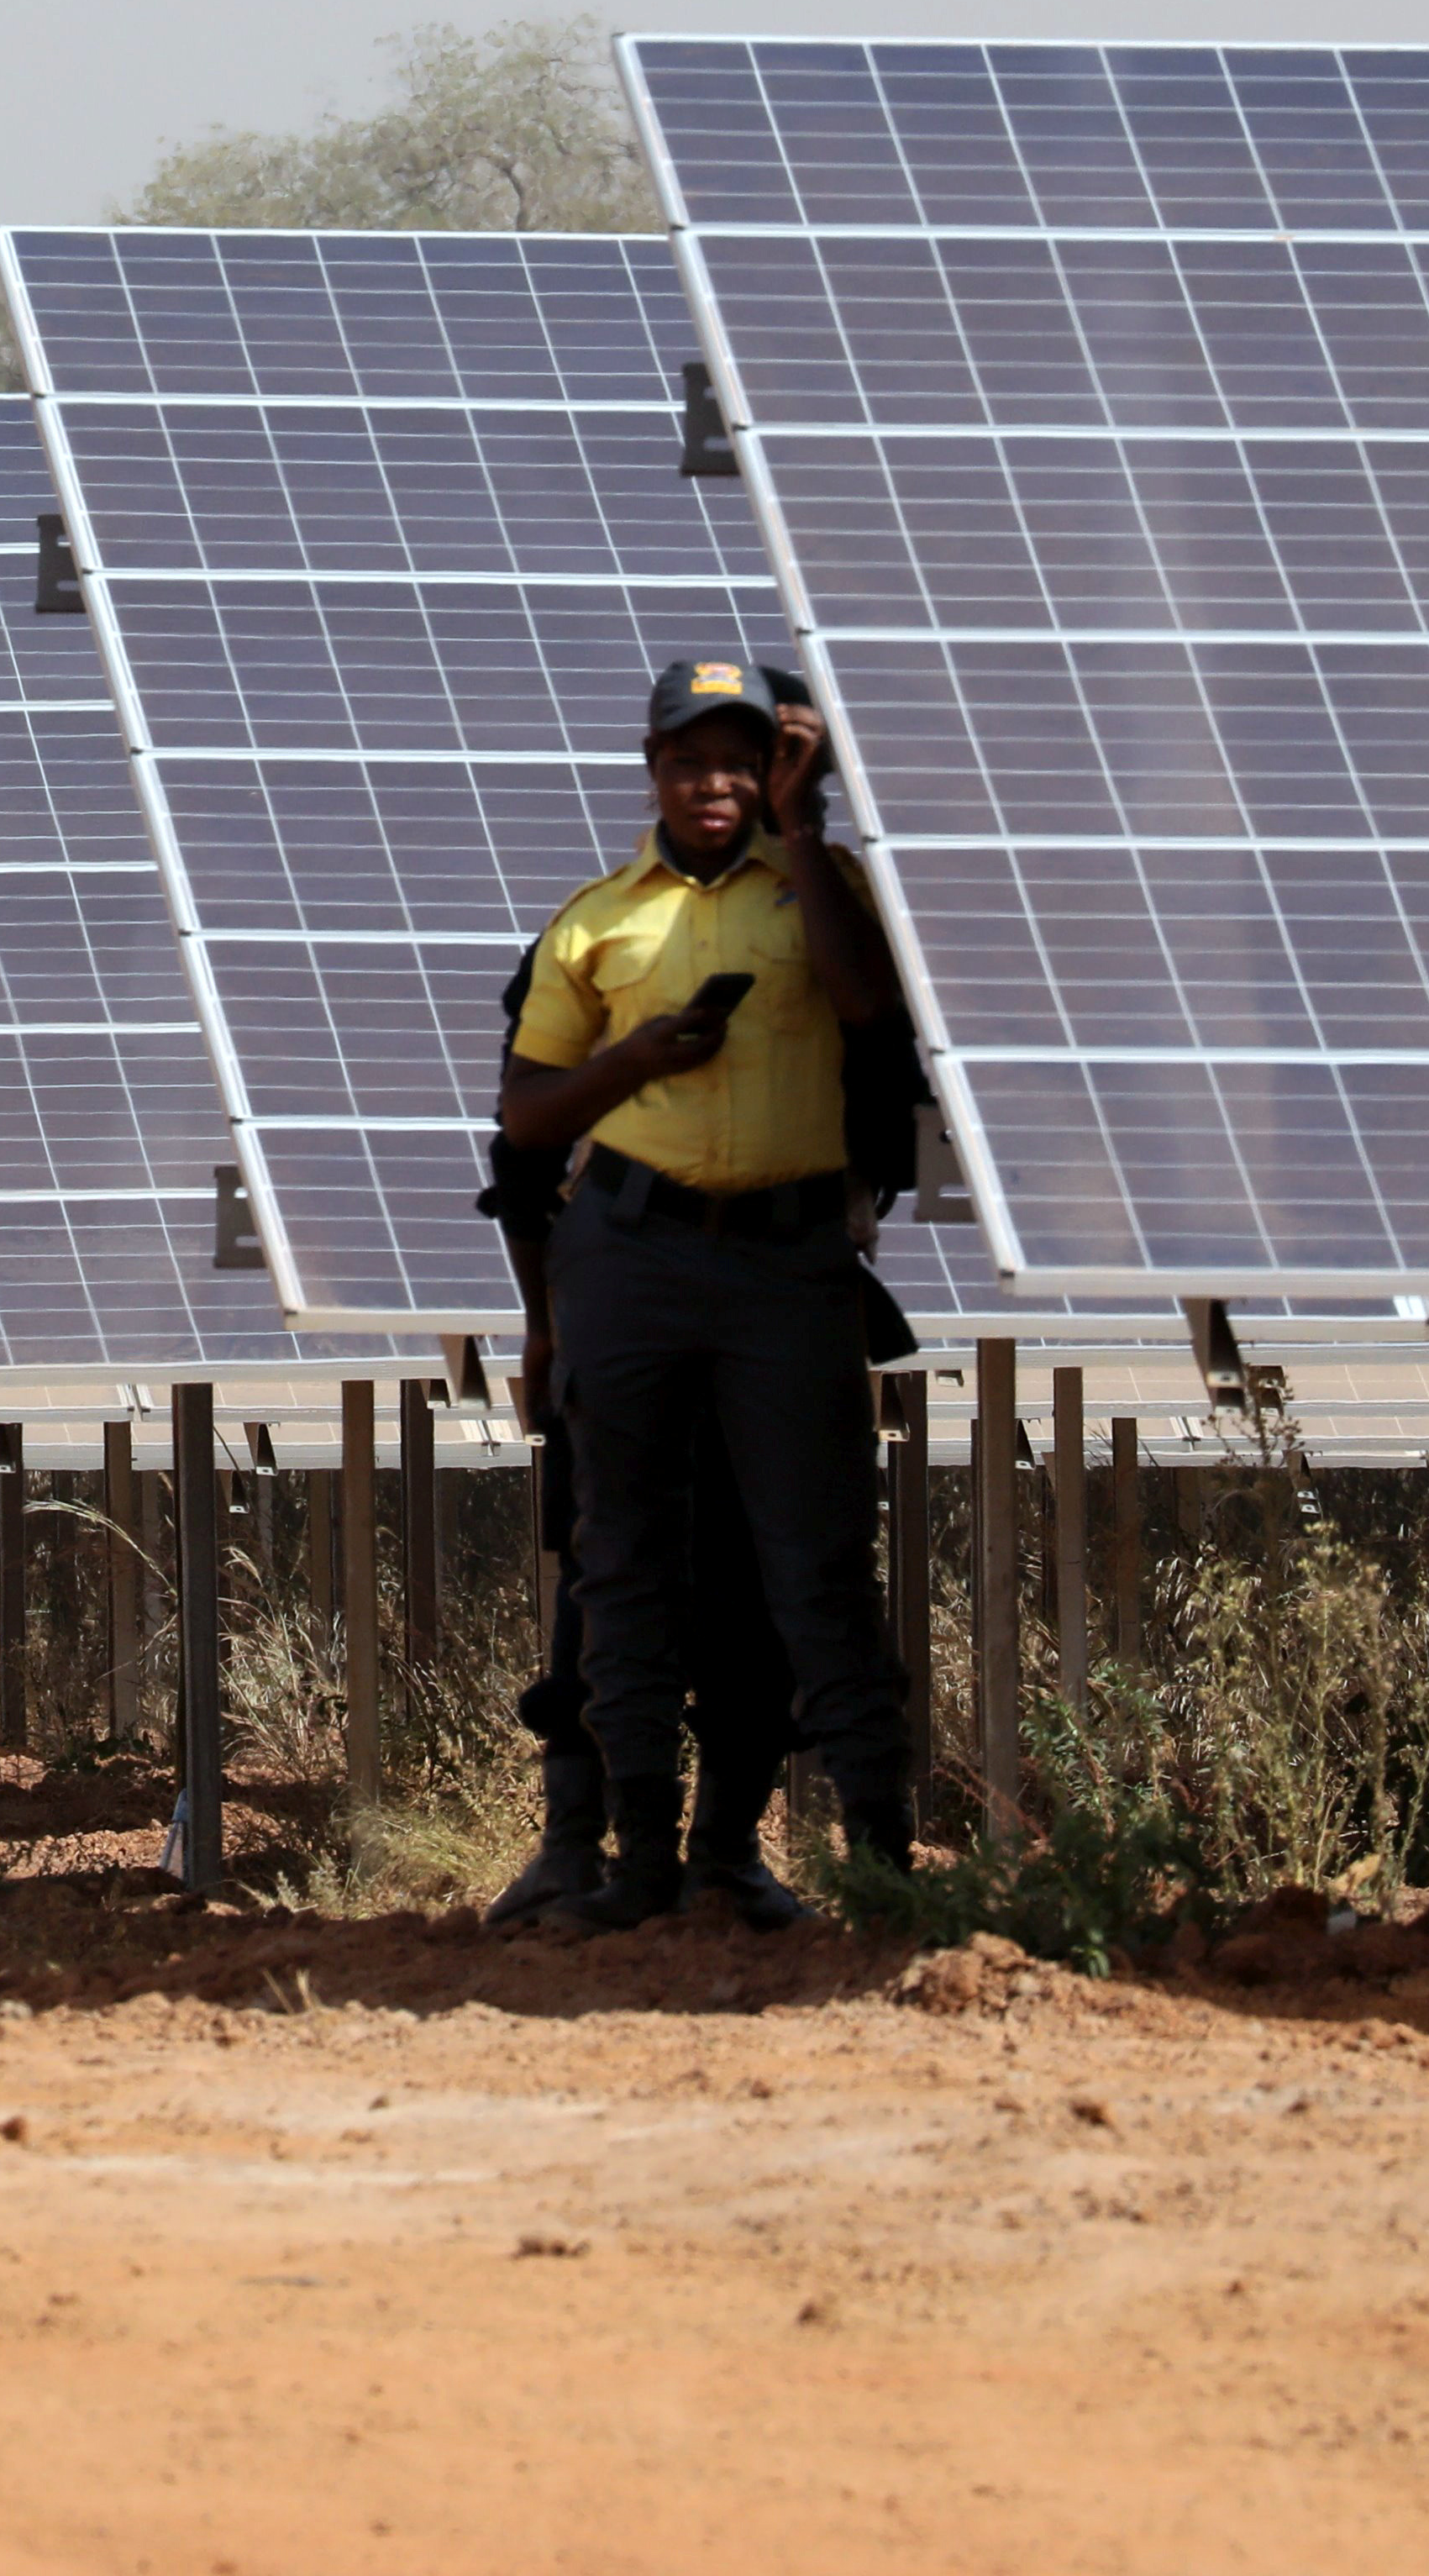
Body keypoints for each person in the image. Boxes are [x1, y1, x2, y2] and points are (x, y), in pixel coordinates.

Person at [498, 657, 922, 1933]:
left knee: (812, 1561)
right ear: (653, 771)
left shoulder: (826, 894)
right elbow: (522, 1127)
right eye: (692, 760)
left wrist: (811, 824)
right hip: (630, 1255)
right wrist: (634, 1059)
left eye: (745, 759)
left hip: (787, 1265)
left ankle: (877, 1876)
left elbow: (869, 1008)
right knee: (621, 1564)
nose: (717, 783)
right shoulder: (591, 925)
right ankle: (633, 1861)